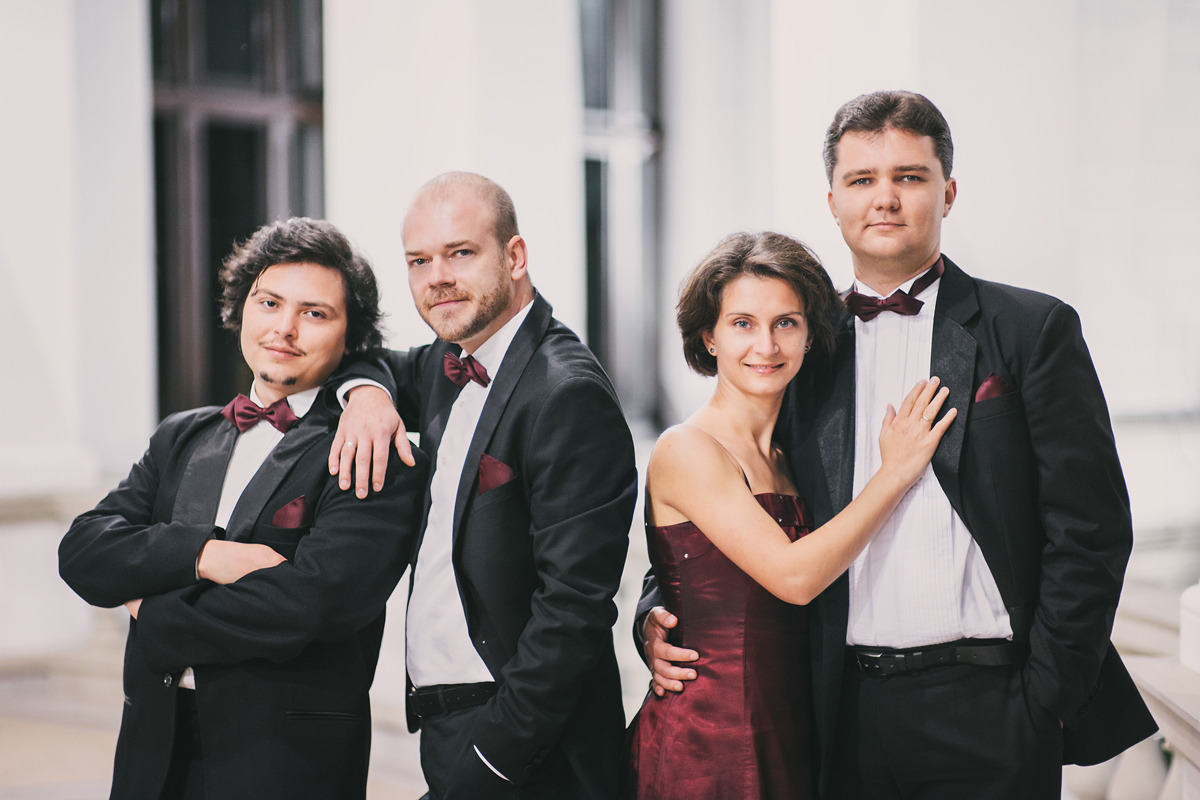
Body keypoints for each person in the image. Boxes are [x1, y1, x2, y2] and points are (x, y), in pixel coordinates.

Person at [640, 91, 1157, 799]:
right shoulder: (798, 348)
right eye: (862, 179)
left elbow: (1091, 531)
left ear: (948, 193)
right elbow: (732, 501)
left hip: (994, 706)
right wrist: (658, 615)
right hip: (836, 712)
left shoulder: (1031, 329)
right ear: (833, 201)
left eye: (909, 177)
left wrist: (1045, 699)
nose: (884, 198)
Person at [58, 217, 428, 800]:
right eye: (269, 302)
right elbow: (84, 550)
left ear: (350, 336)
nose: (284, 328)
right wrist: (206, 555)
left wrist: (152, 609)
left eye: (314, 313)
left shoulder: (369, 447)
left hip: (284, 763)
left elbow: (311, 605)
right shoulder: (181, 434)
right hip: (154, 752)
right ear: (242, 308)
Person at [329, 171, 638, 798]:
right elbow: (368, 360)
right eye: (419, 261)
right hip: (451, 724)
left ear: (515, 257)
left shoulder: (566, 392)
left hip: (529, 748)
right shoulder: (449, 360)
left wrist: (495, 756)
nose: (437, 277)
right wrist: (365, 394)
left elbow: (573, 608)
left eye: (461, 252)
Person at [624, 231, 956, 800]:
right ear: (709, 337)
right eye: (742, 323)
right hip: (706, 743)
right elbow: (795, 577)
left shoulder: (790, 454)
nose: (766, 345)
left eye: (786, 323)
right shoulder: (687, 447)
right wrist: (895, 472)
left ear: (809, 336)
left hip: (791, 732)